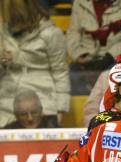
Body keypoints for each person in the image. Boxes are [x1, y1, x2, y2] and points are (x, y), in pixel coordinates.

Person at [0, 0, 70, 128]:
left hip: (42, 102)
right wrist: (3, 63)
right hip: (6, 105)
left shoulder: (51, 33)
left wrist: (60, 110)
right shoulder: (2, 33)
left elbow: (60, 72)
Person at [66, 0, 121, 70]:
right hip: (85, 58)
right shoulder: (79, 2)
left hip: (116, 59)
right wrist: (78, 55)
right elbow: (73, 32)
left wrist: (109, 58)